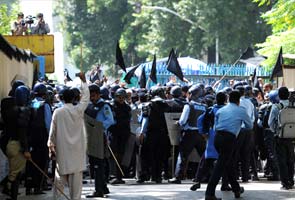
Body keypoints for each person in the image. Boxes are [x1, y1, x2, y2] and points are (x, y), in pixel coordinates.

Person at [47, 73, 89, 200]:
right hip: (77, 154)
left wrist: (50, 145)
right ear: (74, 98)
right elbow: (86, 98)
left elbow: (52, 133)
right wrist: (84, 81)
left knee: (59, 186)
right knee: (76, 192)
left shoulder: (57, 112)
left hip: (63, 154)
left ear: (61, 98)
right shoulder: (79, 110)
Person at [205, 90, 253, 200]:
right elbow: (249, 126)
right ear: (238, 100)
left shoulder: (221, 110)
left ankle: (236, 189)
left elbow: (216, 126)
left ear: (228, 99)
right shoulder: (241, 110)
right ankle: (209, 193)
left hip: (217, 138)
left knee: (228, 163)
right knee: (220, 166)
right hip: (229, 139)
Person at [169, 84, 207, 184]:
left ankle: (178, 177)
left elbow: (182, 121)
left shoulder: (189, 105)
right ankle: (207, 175)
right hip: (201, 134)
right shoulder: (204, 106)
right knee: (204, 155)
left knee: (183, 156)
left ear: (190, 94)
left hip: (189, 134)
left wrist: (178, 123)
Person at [85, 84, 114, 197]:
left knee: (99, 164)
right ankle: (103, 187)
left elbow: (110, 120)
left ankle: (99, 190)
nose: (91, 98)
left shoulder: (104, 106)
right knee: (94, 163)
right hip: (91, 137)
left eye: (93, 96)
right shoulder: (89, 106)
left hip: (99, 137)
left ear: (98, 94)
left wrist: (99, 128)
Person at [268, 86, 295, 190]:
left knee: (281, 160)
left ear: (279, 95)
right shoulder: (293, 105)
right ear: (288, 95)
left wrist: (276, 131)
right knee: (291, 159)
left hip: (280, 136)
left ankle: (285, 183)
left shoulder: (276, 106)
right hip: (292, 136)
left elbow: (270, 123)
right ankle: (291, 180)